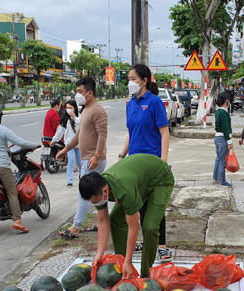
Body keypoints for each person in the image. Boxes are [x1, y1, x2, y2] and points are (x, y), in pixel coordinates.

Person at [79, 154, 175, 278]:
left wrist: (129, 261)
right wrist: (99, 253)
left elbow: (133, 228)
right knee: (115, 219)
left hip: (160, 179)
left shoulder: (123, 189)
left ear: (105, 191)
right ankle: (121, 266)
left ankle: (146, 273)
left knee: (150, 227)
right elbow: (103, 221)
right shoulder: (96, 188)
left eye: (95, 201)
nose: (95, 204)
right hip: (140, 182)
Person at [118, 64, 172, 262]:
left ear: (144, 81)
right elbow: (131, 134)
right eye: (129, 78)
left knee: (155, 205)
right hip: (133, 163)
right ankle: (144, 239)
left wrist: (163, 161)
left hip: (151, 162)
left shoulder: (155, 102)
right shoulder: (130, 104)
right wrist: (122, 156)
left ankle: (162, 245)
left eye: (133, 78)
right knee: (139, 204)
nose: (130, 82)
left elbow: (164, 132)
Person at [0, 104, 41, 234]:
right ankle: (17, 220)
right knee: (12, 193)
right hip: (1, 168)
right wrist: (35, 145)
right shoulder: (2, 129)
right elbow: (19, 141)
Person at [56, 77, 108, 239]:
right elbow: (80, 135)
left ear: (89, 93)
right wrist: (65, 149)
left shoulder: (97, 110)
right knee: (96, 193)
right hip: (87, 158)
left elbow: (102, 134)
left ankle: (76, 226)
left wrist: (97, 156)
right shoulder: (86, 110)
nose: (77, 95)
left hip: (92, 159)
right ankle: (103, 221)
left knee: (84, 193)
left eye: (80, 92)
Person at [51, 100, 81, 188]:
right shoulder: (65, 118)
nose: (68, 110)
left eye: (70, 108)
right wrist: (54, 140)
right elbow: (60, 131)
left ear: (74, 108)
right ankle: (70, 181)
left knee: (80, 163)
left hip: (79, 143)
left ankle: (81, 176)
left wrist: (75, 117)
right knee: (71, 161)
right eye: (67, 108)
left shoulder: (79, 117)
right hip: (69, 144)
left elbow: (83, 127)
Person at [213, 92, 233, 186]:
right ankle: (222, 180)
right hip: (222, 138)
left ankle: (216, 177)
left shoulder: (218, 111)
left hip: (217, 137)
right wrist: (229, 141)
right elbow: (225, 128)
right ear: (227, 101)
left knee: (218, 158)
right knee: (222, 160)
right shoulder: (224, 113)